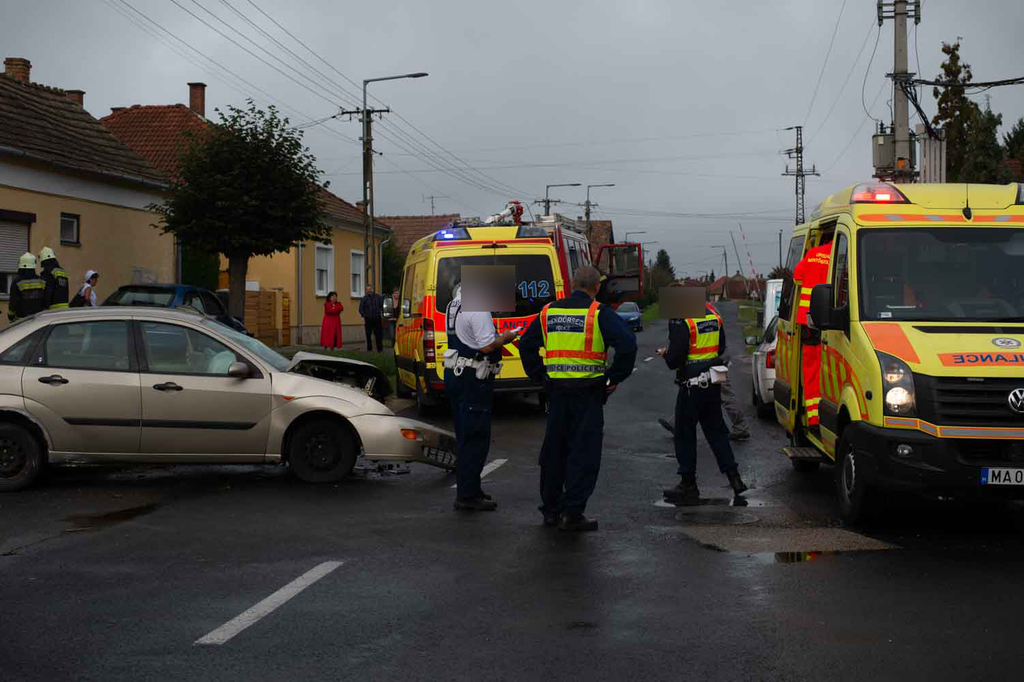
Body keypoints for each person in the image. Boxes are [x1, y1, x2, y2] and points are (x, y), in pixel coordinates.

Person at [520, 265, 637, 532]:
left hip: (557, 393)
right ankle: (572, 513)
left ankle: (550, 510)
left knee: (554, 451)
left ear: (573, 284)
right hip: (588, 394)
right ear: (597, 288)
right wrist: (612, 378)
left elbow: (526, 345)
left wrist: (541, 377)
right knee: (583, 453)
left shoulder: (548, 312)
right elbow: (628, 345)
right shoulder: (598, 313)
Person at [658, 299, 748, 506]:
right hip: (712, 384)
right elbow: (721, 346)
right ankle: (734, 478)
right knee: (717, 433)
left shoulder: (684, 321)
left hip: (691, 387)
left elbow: (675, 360)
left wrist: (665, 353)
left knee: (684, 434)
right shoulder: (713, 316)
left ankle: (688, 485)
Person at [444, 280, 518, 512]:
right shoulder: (478, 308)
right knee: (475, 437)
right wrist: (506, 337)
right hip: (472, 379)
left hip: (456, 374)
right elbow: (486, 346)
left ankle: (472, 488)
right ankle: (467, 495)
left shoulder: (454, 303)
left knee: (465, 434)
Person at [792, 241, 832, 431]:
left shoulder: (814, 253)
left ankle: (813, 418)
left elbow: (797, 278)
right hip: (834, 319)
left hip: (808, 319)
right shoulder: (844, 251)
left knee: (811, 369)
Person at [7, 252, 46, 322]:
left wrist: (11, 316)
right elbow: (45, 300)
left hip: (22, 322)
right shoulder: (42, 281)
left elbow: (13, 301)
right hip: (38, 321)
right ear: (34, 265)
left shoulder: (17, 282)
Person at [358, 285, 384, 352]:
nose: (369, 290)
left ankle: (380, 349)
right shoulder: (364, 298)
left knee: (378, 335)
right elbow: (361, 309)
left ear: (372, 289)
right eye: (367, 289)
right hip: (368, 319)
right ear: (366, 290)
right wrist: (364, 315)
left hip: (377, 318)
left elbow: (382, 306)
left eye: (370, 289)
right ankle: (369, 349)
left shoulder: (378, 297)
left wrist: (381, 314)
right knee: (368, 335)